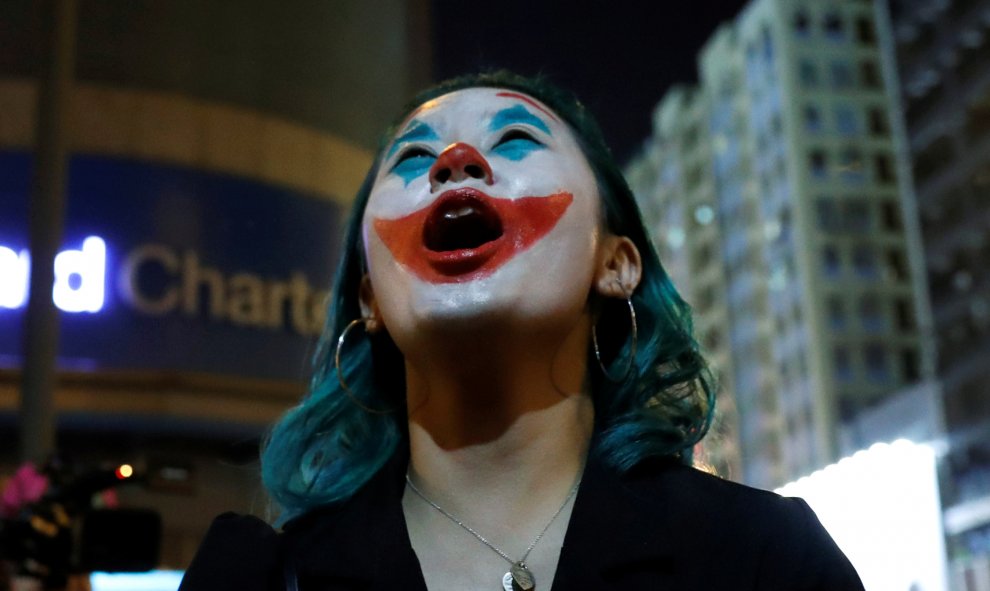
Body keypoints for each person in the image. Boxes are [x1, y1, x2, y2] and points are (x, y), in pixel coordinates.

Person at [179, 71, 864, 591]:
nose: (454, 161)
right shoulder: (259, 580)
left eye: (514, 139)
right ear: (370, 300)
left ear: (617, 264)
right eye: (413, 160)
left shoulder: (768, 558)